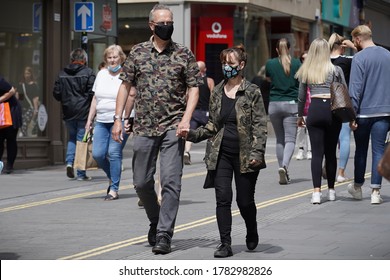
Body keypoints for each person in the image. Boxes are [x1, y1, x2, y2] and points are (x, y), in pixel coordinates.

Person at [111, 4, 202, 255]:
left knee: (172, 182)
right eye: (163, 22)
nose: (167, 26)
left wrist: (186, 119)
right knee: (141, 182)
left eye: (170, 22)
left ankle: (164, 234)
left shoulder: (183, 53)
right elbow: (125, 86)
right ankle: (155, 220)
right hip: (143, 126)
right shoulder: (138, 52)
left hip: (174, 126)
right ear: (152, 25)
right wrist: (119, 118)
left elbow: (194, 88)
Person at [182, 44, 267, 258]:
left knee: (244, 201)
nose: (226, 67)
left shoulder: (252, 91)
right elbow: (212, 125)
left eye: (230, 63)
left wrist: (257, 153)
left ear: (241, 65)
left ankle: (251, 228)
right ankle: (225, 243)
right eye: (224, 63)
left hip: (246, 155)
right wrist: (191, 134)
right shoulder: (217, 90)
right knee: (223, 198)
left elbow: (260, 125)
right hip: (221, 154)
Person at [295, 38, 346, 204]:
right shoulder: (336, 69)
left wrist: (300, 115)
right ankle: (331, 191)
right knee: (331, 153)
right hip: (332, 111)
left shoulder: (306, 70)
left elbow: (302, 96)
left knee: (317, 153)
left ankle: (316, 192)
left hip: (315, 110)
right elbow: (344, 91)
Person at [347, 25, 390, 204]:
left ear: (357, 39)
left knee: (361, 151)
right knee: (379, 150)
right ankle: (375, 192)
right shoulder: (388, 55)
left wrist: (351, 115)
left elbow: (355, 89)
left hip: (363, 113)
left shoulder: (359, 58)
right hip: (384, 111)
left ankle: (357, 187)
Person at [85, 45, 130, 200]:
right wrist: (89, 119)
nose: (112, 60)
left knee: (114, 152)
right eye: (109, 57)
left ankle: (114, 189)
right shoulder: (101, 74)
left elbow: (131, 98)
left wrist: (129, 119)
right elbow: (95, 98)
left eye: (115, 57)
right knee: (98, 154)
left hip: (120, 120)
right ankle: (113, 176)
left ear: (121, 58)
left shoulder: (126, 75)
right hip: (102, 121)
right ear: (106, 59)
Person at [53, 48, 96, 181]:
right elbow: (92, 92)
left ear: (72, 59)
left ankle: (70, 162)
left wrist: (66, 100)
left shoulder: (62, 73)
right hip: (83, 112)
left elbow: (56, 93)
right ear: (84, 59)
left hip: (68, 111)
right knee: (82, 140)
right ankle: (81, 173)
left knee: (72, 138)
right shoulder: (88, 73)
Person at [266, 38, 301, 184]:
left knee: (279, 139)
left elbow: (268, 79)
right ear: (289, 48)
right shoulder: (297, 63)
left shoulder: (270, 63)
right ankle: (285, 166)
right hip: (291, 104)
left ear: (276, 50)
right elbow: (300, 83)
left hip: (274, 104)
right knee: (290, 139)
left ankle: (282, 168)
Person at [328, 33, 356, 183]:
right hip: (342, 102)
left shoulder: (323, 61)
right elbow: (366, 54)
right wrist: (352, 46)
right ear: (341, 46)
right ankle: (340, 173)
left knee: (328, 137)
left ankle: (327, 166)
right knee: (344, 138)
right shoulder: (346, 62)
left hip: (325, 102)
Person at [183, 60, 214, 165]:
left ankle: (186, 152)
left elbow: (187, 96)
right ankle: (210, 153)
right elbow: (213, 97)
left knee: (190, 132)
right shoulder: (209, 81)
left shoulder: (191, 82)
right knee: (212, 132)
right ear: (204, 70)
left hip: (194, 112)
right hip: (206, 113)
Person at [0, 75, 22, 174]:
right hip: (2, 112)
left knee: (10, 138)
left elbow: (12, 90)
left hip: (11, 111)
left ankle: (9, 166)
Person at [295, 51, 311, 161]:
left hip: (312, 103)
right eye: (303, 59)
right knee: (300, 129)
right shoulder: (299, 72)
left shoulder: (314, 70)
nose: (305, 61)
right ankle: (301, 149)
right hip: (302, 103)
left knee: (310, 128)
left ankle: (310, 150)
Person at [15, 66, 40, 137]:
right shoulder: (21, 85)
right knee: (23, 124)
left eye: (28, 73)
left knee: (24, 123)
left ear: (31, 74)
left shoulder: (34, 85)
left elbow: (35, 98)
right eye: (25, 73)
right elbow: (19, 97)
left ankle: (23, 138)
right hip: (22, 108)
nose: (27, 75)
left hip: (30, 108)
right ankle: (24, 138)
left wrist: (36, 109)